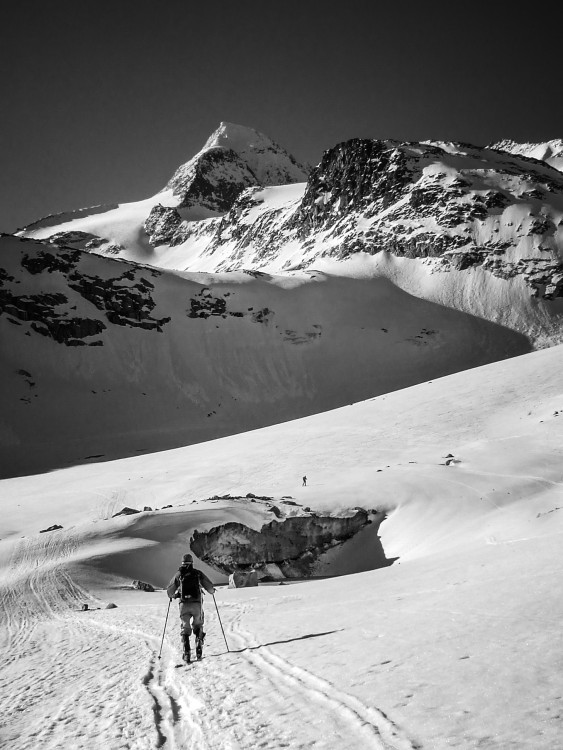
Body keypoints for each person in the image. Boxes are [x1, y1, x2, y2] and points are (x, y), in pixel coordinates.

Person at [166, 553, 215, 662]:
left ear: (182, 563)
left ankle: (186, 652)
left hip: (184, 604)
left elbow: (169, 591)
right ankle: (199, 645)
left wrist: (173, 595)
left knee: (185, 627)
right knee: (198, 624)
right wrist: (212, 591)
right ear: (192, 562)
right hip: (197, 604)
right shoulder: (197, 573)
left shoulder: (179, 574)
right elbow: (209, 587)